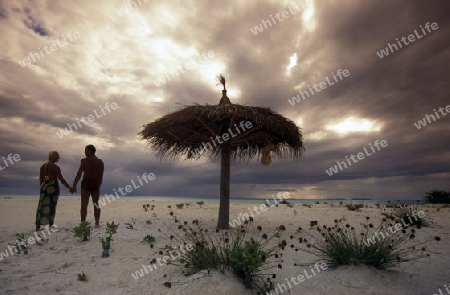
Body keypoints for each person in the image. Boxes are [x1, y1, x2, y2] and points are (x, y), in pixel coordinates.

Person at [35, 151, 73, 231]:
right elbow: (61, 179)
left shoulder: (43, 166)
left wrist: (42, 187)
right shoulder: (55, 167)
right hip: (53, 187)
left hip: (44, 186)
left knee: (41, 206)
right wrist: (69, 187)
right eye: (57, 157)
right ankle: (50, 225)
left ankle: (38, 226)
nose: (58, 158)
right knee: (52, 206)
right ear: (52, 157)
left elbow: (41, 179)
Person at [71, 145, 104, 227]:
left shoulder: (84, 161)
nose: (84, 152)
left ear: (90, 151)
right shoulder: (100, 162)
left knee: (84, 205)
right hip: (95, 184)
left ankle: (83, 223)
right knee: (96, 204)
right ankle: (97, 223)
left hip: (86, 183)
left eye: (86, 150)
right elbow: (101, 177)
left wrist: (74, 186)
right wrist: (98, 185)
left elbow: (79, 174)